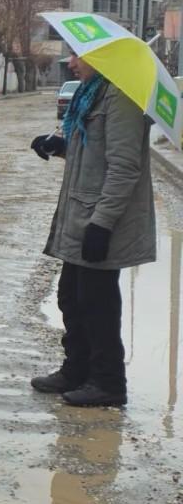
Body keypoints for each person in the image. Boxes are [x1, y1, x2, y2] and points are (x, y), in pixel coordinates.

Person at [28, 53, 154, 407]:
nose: (70, 63)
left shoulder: (121, 98)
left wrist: (102, 223)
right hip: (81, 215)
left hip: (100, 220)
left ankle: (108, 382)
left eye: (78, 57)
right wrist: (59, 147)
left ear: (102, 58)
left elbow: (124, 167)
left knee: (97, 302)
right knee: (71, 295)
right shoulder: (91, 94)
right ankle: (77, 369)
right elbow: (93, 153)